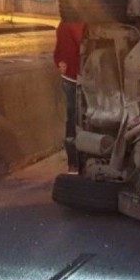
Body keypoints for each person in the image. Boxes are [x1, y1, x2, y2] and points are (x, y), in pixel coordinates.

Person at [53, 19, 87, 169]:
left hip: (71, 77)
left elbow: (58, 51)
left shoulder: (64, 24)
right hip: (78, 79)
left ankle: (73, 163)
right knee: (79, 120)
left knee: (72, 120)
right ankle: (77, 161)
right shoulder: (81, 24)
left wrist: (59, 62)